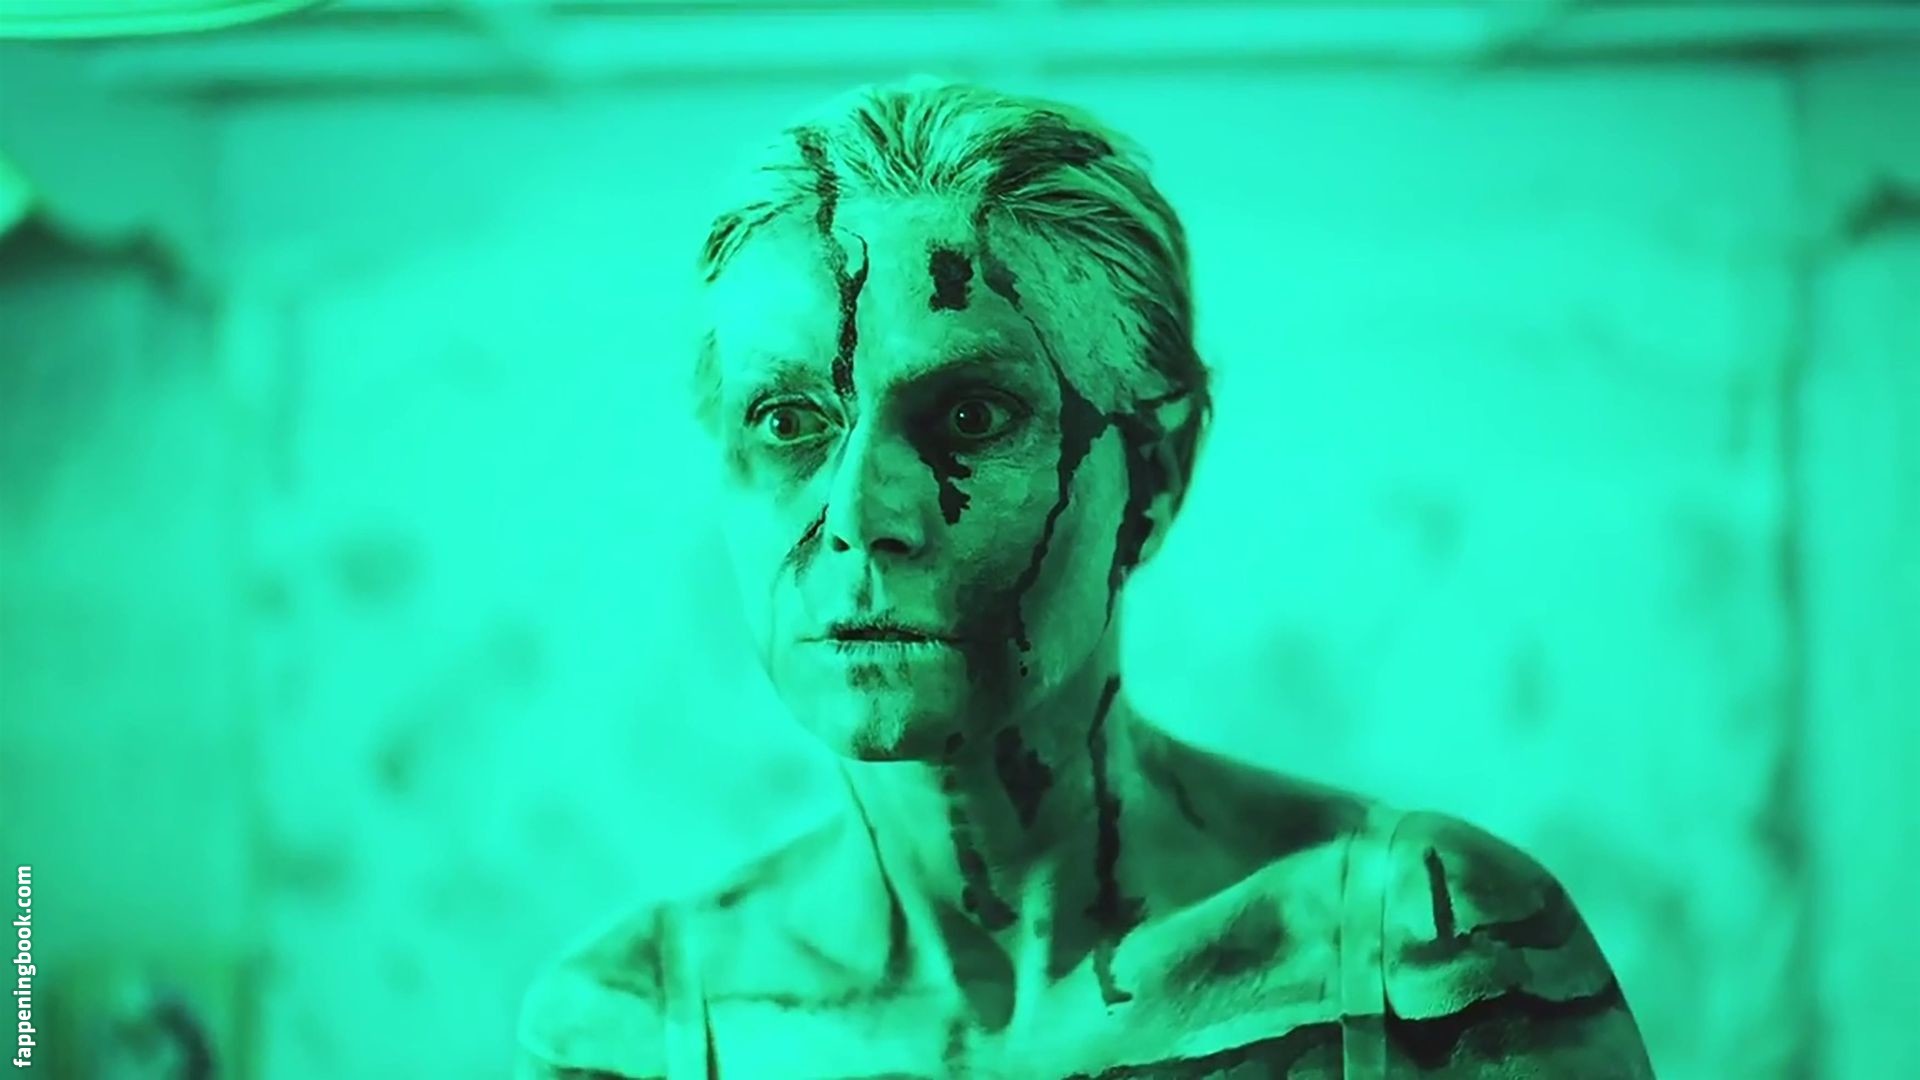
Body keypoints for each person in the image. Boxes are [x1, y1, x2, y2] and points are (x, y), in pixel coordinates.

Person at [515, 79, 1658, 1079]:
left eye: (970, 417)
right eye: (787, 420)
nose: (861, 518)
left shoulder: (1435, 953)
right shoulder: (634, 1027)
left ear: (1152, 474)